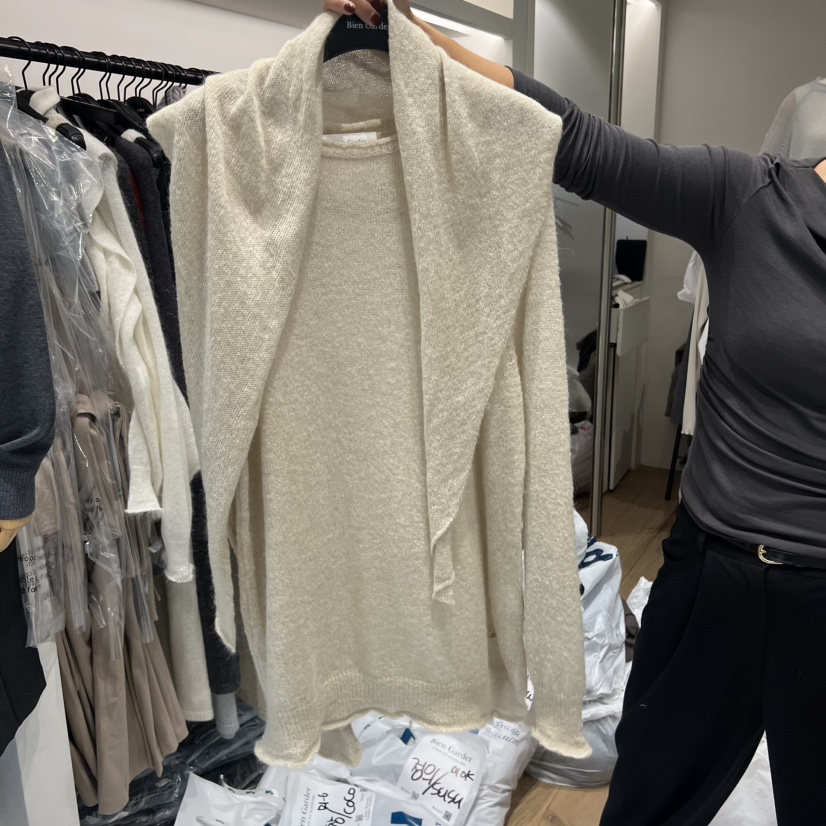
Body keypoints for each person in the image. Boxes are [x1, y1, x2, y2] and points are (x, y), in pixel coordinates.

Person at [323, 2, 826, 824]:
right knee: (649, 802)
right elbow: (574, 140)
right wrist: (407, 34)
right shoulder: (749, 197)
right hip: (717, 580)